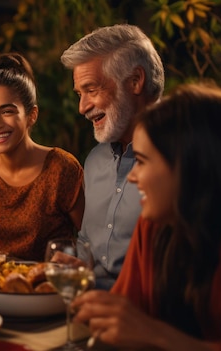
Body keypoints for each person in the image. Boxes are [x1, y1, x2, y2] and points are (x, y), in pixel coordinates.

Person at [72, 83, 221, 349]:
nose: (132, 176)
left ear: (191, 166)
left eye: (142, 161)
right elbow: (119, 322)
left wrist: (155, 335)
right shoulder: (153, 225)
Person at [58, 24, 165, 289]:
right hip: (90, 304)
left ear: (136, 81)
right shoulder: (95, 161)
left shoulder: (181, 159)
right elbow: (86, 243)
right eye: (79, 94)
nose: (82, 107)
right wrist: (76, 263)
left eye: (91, 89)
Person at [0, 53, 85, 261]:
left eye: (7, 111)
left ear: (32, 115)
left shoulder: (61, 168)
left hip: (47, 286)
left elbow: (92, 241)